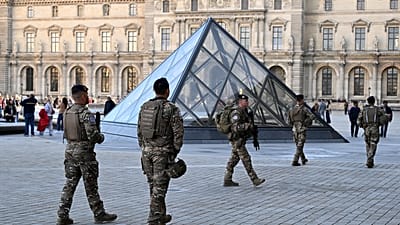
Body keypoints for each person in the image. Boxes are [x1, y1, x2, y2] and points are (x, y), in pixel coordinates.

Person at [56, 85, 117, 225]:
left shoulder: (67, 112)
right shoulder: (86, 113)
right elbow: (93, 135)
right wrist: (100, 137)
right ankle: (99, 213)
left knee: (69, 184)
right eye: (86, 94)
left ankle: (62, 214)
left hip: (70, 151)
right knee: (91, 186)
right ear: (83, 96)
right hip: (84, 154)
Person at [137, 78, 184, 225]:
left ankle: (161, 215)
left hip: (146, 153)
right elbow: (178, 133)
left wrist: (145, 148)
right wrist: (174, 151)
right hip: (162, 154)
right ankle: (154, 219)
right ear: (167, 91)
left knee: (154, 186)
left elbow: (139, 131)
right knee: (159, 188)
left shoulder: (145, 107)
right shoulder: (171, 108)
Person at [222, 94, 265, 187]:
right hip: (237, 139)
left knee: (234, 159)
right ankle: (254, 179)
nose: (247, 103)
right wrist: (247, 126)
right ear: (240, 102)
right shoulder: (236, 113)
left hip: (241, 139)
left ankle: (227, 179)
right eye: (246, 101)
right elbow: (235, 127)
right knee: (246, 159)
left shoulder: (244, 112)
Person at [357, 96, 386, 168]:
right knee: (373, 143)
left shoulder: (364, 110)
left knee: (367, 144)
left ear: (368, 102)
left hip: (366, 128)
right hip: (375, 128)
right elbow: (383, 119)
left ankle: (369, 159)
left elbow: (358, 120)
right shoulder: (378, 110)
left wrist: (362, 126)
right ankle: (370, 157)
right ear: (374, 101)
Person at [288, 94, 315, 166]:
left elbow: (289, 121)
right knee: (300, 145)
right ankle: (295, 160)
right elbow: (312, 116)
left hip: (294, 129)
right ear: (302, 100)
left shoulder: (291, 110)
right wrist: (306, 122)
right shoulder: (304, 109)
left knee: (299, 145)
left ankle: (303, 159)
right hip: (302, 129)